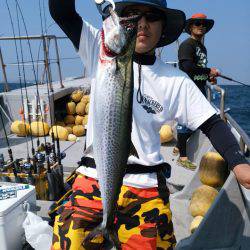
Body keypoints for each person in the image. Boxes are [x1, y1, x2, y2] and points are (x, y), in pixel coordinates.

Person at [49, 1, 250, 249]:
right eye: (133, 16)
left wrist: (238, 161)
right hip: (93, 177)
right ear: (121, 21)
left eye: (152, 17)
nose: (142, 24)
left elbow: (211, 123)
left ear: (163, 26)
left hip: (146, 185)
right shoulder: (100, 50)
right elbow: (62, 13)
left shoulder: (176, 81)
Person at [173, 13, 220, 170]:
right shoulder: (187, 45)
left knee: (197, 121)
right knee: (184, 123)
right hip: (187, 89)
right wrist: (209, 71)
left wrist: (209, 77)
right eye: (197, 23)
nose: (201, 26)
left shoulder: (202, 47)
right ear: (191, 27)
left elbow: (198, 69)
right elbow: (187, 67)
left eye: (203, 24)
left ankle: (179, 147)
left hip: (199, 89)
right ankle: (182, 157)